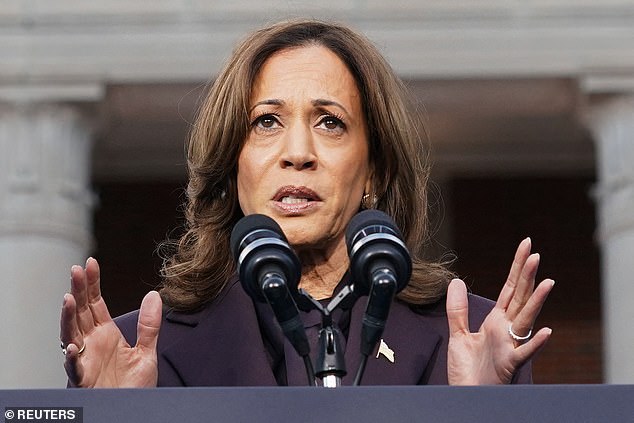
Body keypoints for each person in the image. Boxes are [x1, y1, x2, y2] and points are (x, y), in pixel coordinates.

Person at [59, 19, 553, 387]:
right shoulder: (140, 350)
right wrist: (112, 421)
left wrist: (485, 414)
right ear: (234, 165)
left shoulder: (466, 339)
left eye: (329, 122)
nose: (297, 154)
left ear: (374, 171)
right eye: (266, 122)